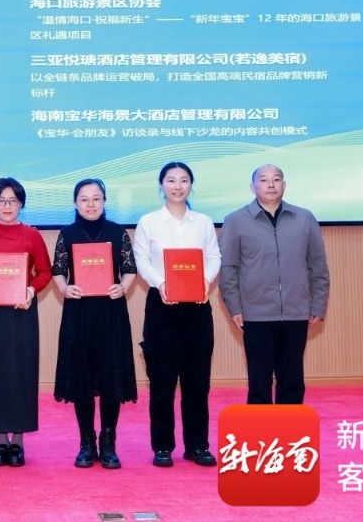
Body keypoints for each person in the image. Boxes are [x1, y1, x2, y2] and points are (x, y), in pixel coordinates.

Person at [133, 162, 221, 468]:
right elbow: (141, 259)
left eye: (184, 180)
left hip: (197, 306)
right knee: (162, 381)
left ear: (191, 185)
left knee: (197, 381)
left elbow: (214, 256)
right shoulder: (149, 222)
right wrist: (161, 283)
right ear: (161, 185)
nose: (178, 186)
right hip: (162, 306)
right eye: (171, 180)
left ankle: (197, 445)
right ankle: (162, 446)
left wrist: (205, 281)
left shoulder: (203, 222)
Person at [218, 164, 330, 404]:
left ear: (284, 185)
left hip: (296, 311)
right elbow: (228, 268)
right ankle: (260, 429)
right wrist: (234, 307)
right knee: (259, 383)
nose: (271, 184)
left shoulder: (304, 218)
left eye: (276, 179)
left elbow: (318, 266)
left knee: (292, 381)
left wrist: (318, 306)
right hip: (254, 313)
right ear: (252, 187)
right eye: (264, 180)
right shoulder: (235, 220)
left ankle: (290, 429)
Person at [52, 178, 137, 469]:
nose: (91, 204)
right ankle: (86, 442)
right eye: (84, 199)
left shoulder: (117, 232)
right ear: (75, 203)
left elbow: (129, 269)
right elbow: (58, 270)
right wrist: (65, 289)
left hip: (111, 312)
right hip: (79, 313)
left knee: (111, 375)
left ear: (104, 201)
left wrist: (123, 287)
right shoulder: (68, 233)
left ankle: (108, 441)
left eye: (96, 198)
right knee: (82, 377)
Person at [0, 177, 52, 467]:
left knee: (20, 374)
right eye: (1, 200)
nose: (7, 206)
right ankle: (0, 442)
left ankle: (18, 441)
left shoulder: (32, 235)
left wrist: (30, 291)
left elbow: (45, 272)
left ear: (21, 204)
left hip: (21, 313)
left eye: (13, 201)